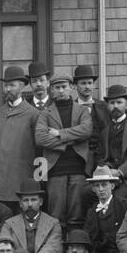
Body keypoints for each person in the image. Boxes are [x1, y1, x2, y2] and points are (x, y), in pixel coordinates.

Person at [35, 72, 94, 227]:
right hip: (55, 169)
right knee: (56, 215)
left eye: (64, 87)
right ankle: (57, 249)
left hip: (79, 168)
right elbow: (40, 138)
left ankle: (75, 247)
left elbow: (86, 131)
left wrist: (60, 134)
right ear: (51, 90)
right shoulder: (45, 113)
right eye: (57, 87)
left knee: (77, 214)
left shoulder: (82, 111)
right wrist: (68, 141)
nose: (61, 90)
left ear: (71, 88)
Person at [0, 65, 38, 211]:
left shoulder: (32, 114)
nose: (8, 89)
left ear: (21, 87)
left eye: (12, 85)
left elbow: (38, 149)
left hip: (20, 177)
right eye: (6, 85)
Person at [83, 167, 127, 253]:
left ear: (112, 186)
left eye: (104, 184)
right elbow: (87, 236)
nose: (101, 189)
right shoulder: (92, 211)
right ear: (93, 189)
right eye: (97, 186)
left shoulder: (124, 206)